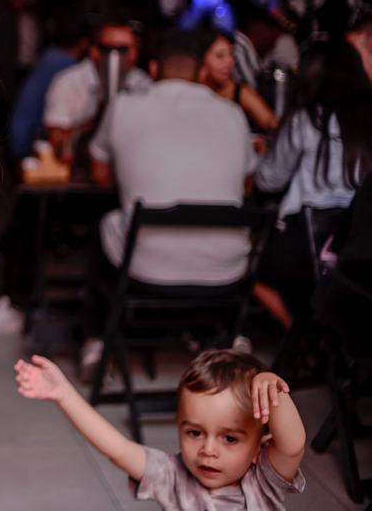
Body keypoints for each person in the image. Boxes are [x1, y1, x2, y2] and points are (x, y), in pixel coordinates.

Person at [83, 30, 256, 376]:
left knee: (103, 223)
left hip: (147, 266)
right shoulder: (233, 113)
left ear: (152, 69)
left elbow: (100, 175)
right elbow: (247, 185)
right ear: (202, 72)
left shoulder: (124, 106)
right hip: (226, 269)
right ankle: (225, 333)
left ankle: (96, 342)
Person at [15, 349, 306, 509]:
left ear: (260, 446)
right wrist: (65, 395)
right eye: (195, 433)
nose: (208, 450)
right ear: (178, 426)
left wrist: (273, 389)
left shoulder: (264, 483)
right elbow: (118, 449)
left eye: (229, 438)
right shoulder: (172, 476)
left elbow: (292, 445)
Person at [254, 38, 372, 328]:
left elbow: (269, 181)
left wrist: (264, 153)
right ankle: (322, 335)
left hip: (309, 242)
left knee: (250, 269)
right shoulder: (368, 121)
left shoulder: (305, 120)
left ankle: (303, 335)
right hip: (360, 247)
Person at [43, 19, 152, 161]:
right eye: (120, 50)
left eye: (133, 48)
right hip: (80, 164)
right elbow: (55, 141)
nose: (129, 56)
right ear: (95, 52)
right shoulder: (69, 83)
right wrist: (100, 119)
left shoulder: (142, 83)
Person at [8, 13, 90, 159]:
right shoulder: (66, 66)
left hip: (17, 130)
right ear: (84, 43)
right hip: (28, 139)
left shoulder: (49, 55)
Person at [199, 31, 279, 133]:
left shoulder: (240, 92)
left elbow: (272, 123)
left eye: (231, 54)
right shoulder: (190, 90)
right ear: (200, 60)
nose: (229, 61)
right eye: (220, 56)